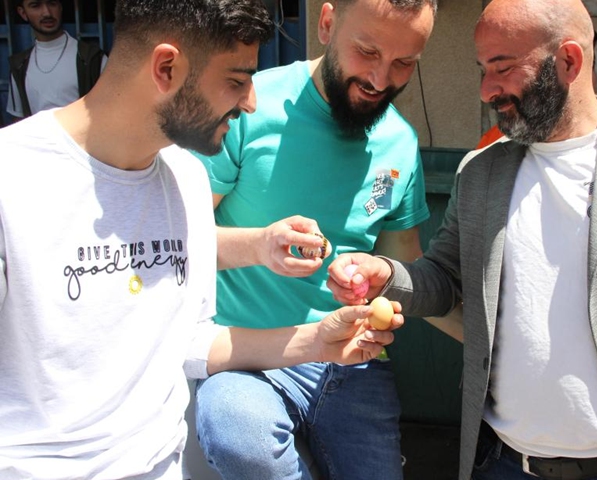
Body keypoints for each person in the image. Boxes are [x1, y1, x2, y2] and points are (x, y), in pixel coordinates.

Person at [328, 0, 597, 479]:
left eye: (503, 68)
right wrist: (385, 275)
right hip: (501, 463)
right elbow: (445, 279)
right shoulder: (481, 171)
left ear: (569, 61)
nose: (488, 89)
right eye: (482, 70)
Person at [0, 1, 403, 479]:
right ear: (166, 68)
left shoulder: (187, 177)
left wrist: (318, 339)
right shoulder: (14, 179)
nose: (252, 101)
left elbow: (190, 341)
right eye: (237, 80)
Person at [190, 0, 437, 478]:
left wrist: (378, 279)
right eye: (367, 51)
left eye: (404, 62)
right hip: (246, 357)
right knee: (241, 437)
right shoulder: (247, 105)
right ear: (326, 25)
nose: (381, 80)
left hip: (354, 360)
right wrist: (261, 243)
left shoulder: (401, 143)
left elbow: (405, 263)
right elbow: (179, 243)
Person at [7, 0, 107, 120]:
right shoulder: (20, 65)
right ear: (23, 13)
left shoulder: (92, 58)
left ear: (60, 7)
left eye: (52, 3)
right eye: (36, 6)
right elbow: (19, 120)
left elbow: (113, 111)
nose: (47, 13)